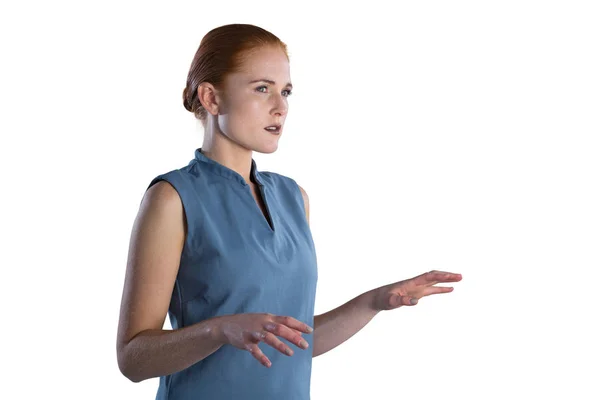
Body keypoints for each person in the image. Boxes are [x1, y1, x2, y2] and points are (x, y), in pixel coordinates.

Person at [116, 23, 462, 400]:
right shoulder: (172, 199)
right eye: (262, 88)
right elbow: (133, 359)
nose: (280, 107)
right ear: (212, 99)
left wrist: (374, 302)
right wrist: (217, 330)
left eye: (286, 91)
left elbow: (294, 343)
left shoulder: (293, 197)